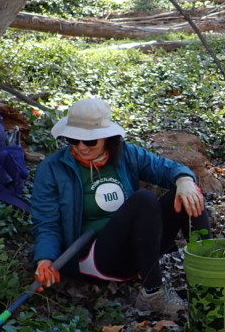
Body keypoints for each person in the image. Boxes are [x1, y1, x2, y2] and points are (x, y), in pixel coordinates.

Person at [30, 98, 210, 316]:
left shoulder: (126, 154)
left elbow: (164, 168)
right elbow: (47, 222)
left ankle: (209, 278)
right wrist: (45, 259)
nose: (81, 148)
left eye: (89, 142)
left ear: (107, 138)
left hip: (141, 247)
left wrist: (184, 181)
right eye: (73, 140)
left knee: (187, 196)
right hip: (96, 256)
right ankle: (152, 293)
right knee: (143, 200)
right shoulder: (52, 168)